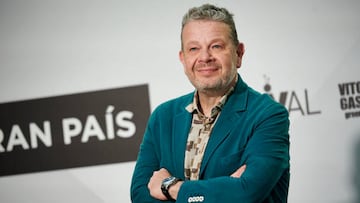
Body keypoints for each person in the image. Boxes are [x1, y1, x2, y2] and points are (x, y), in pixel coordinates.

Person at [130, 3, 290, 203]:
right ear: (183, 58)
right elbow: (140, 195)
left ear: (239, 54)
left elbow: (247, 192)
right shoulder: (163, 117)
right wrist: (224, 190)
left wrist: (171, 187)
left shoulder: (267, 114)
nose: (205, 57)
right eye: (194, 48)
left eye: (216, 46)